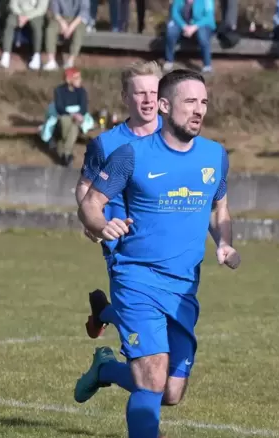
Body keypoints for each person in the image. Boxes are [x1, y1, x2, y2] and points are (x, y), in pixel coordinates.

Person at [75, 69, 240, 438]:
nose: (199, 110)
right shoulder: (129, 155)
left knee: (170, 391)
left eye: (204, 102)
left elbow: (220, 208)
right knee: (151, 376)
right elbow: (90, 203)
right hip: (136, 277)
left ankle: (106, 369)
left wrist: (224, 243)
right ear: (165, 107)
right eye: (190, 102)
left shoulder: (215, 155)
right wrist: (101, 225)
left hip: (184, 286)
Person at [75, 60, 163, 339]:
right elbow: (85, 188)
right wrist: (95, 224)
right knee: (138, 324)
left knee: (157, 318)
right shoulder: (105, 144)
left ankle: (102, 312)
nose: (148, 100)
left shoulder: (177, 139)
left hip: (167, 244)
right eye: (140, 93)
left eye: (153, 92)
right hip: (122, 245)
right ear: (125, 97)